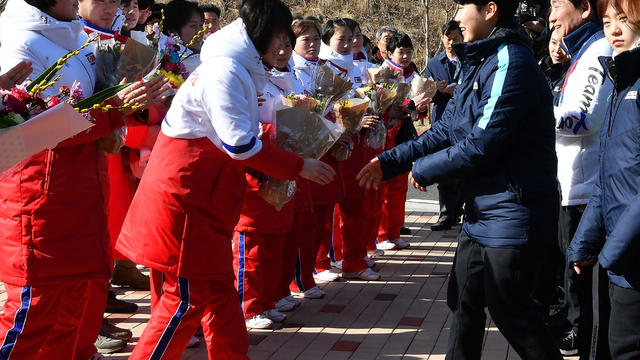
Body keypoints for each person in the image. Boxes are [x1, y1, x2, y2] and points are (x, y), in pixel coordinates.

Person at [114, 0, 335, 357]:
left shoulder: (242, 67)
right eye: (276, 36)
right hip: (187, 200)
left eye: (285, 37)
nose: (283, 46)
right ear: (257, 32)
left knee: (219, 297)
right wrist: (300, 167)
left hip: (207, 202)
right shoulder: (226, 71)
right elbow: (241, 144)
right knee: (183, 302)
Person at [357, 0, 563, 358]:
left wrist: (424, 170)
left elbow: (482, 144)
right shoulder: (478, 60)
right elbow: (446, 130)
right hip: (482, 212)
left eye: (462, 7)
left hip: (512, 212)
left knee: (511, 312)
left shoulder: (510, 61)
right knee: (463, 301)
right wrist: (389, 162)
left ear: (490, 9)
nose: (454, 19)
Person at [0, 0, 167, 358]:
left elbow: (90, 105)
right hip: (41, 194)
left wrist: (124, 100)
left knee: (75, 308)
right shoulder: (19, 41)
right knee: (35, 311)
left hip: (83, 187)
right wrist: (113, 108)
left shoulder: (73, 36)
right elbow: (27, 130)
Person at [568, 1, 640, 359]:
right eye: (608, 19)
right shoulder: (620, 79)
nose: (613, 29)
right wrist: (585, 241)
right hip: (619, 258)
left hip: (630, 259)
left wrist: (611, 252)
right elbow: (607, 176)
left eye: (624, 19)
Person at [549, 0, 614, 356]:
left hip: (585, 189)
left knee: (583, 273)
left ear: (584, 8)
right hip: (570, 184)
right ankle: (577, 325)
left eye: (557, 5)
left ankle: (585, 334)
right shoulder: (582, 50)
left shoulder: (600, 49)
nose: (551, 16)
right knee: (570, 267)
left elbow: (584, 119)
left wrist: (537, 113)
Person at [232, 26, 305, 330]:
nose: (282, 51)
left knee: (276, 240)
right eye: (275, 45)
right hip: (255, 173)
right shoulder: (244, 78)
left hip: (281, 167)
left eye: (287, 45)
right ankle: (248, 306)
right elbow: (241, 133)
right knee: (253, 245)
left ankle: (267, 299)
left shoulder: (290, 79)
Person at [374, 32, 422, 252]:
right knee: (384, 188)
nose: (405, 56)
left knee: (400, 188)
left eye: (408, 51)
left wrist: (419, 108)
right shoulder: (381, 74)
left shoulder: (413, 73)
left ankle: (395, 232)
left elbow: (417, 113)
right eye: (400, 52)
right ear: (389, 53)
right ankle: (382, 234)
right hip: (385, 137)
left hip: (403, 135)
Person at [424, 20, 464, 231]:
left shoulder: (471, 59)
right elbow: (424, 94)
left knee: (466, 168)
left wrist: (457, 90)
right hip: (443, 123)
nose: (451, 43)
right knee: (445, 169)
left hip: (466, 121)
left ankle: (463, 211)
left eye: (455, 39)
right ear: (442, 39)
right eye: (447, 39)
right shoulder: (434, 63)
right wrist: (436, 90)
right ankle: (446, 215)